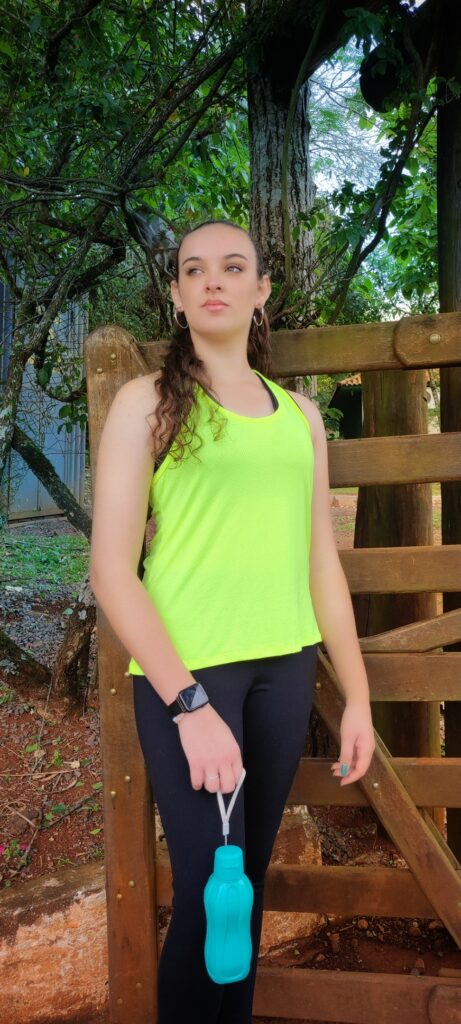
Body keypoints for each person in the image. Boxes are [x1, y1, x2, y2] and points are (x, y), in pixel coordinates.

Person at [90, 218, 376, 1024]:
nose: (212, 280)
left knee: (241, 890)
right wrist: (189, 706)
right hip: (189, 678)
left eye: (231, 266)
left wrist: (356, 697)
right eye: (193, 269)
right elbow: (110, 571)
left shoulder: (300, 417)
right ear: (177, 296)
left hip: (283, 672)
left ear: (260, 292)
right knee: (208, 894)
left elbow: (321, 565)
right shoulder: (146, 403)